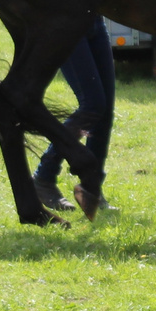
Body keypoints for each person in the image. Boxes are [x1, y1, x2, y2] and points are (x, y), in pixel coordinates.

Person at [32, 15, 116, 212]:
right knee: (93, 105)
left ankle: (91, 188)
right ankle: (44, 176)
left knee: (104, 111)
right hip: (65, 20)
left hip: (94, 18)